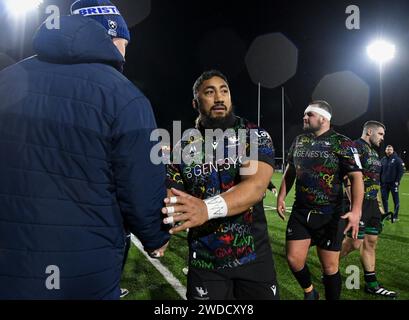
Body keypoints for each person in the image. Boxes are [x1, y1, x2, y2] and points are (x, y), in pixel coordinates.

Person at [0, 0, 169, 299]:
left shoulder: (6, 80)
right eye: (125, 43)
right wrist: (155, 235)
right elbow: (140, 187)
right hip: (85, 271)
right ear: (113, 37)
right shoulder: (125, 97)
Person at [164, 70, 279, 300]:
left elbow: (255, 187)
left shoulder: (252, 134)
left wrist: (206, 209)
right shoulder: (181, 148)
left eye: (224, 91)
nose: (219, 97)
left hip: (254, 258)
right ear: (196, 102)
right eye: (210, 92)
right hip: (205, 262)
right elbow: (172, 198)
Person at [277, 100, 364, 300]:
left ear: (323, 119)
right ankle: (310, 292)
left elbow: (356, 177)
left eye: (309, 115)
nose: (304, 118)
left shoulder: (342, 142)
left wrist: (356, 210)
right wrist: (282, 196)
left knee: (330, 267)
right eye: (304, 115)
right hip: (301, 211)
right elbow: (290, 171)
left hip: (331, 214)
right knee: (293, 259)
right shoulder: (299, 140)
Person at [340, 121, 397, 298]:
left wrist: (379, 205)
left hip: (372, 204)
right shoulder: (356, 146)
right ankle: (330, 268)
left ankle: (372, 285)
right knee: (354, 243)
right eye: (380, 134)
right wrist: (353, 205)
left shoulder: (373, 151)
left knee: (371, 242)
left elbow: (375, 181)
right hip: (359, 203)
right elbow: (346, 176)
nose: (382, 138)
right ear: (369, 131)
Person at [381, 145, 404, 222]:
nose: (389, 151)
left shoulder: (397, 159)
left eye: (390, 149)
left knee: (396, 200)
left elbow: (401, 171)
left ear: (393, 150)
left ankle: (395, 216)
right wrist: (380, 181)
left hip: (394, 184)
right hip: (384, 184)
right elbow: (380, 171)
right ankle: (386, 214)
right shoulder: (383, 159)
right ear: (385, 151)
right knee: (384, 199)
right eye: (387, 149)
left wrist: (397, 181)